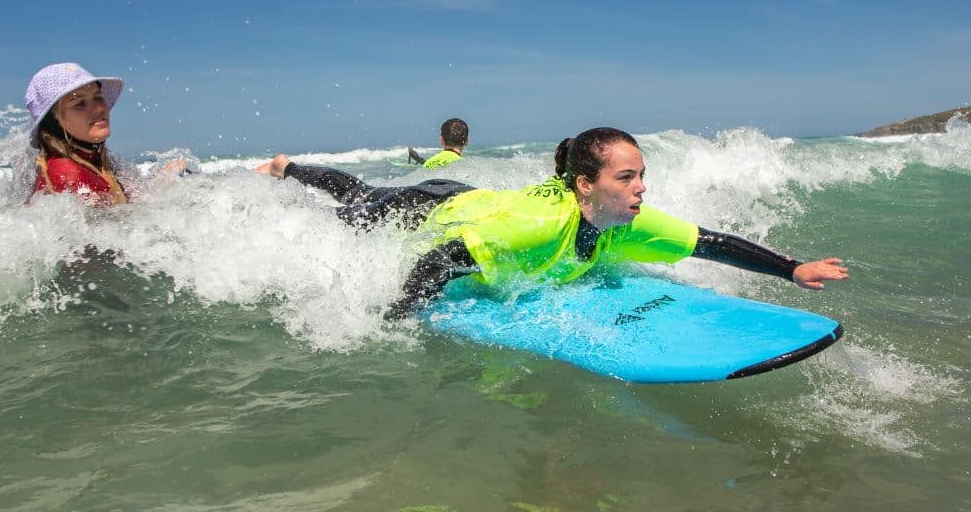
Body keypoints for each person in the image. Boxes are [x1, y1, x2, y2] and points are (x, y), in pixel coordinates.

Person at [256, 127, 848, 318]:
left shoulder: (626, 221)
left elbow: (710, 244)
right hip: (435, 206)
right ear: (585, 185)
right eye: (627, 178)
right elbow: (436, 259)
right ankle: (289, 168)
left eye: (642, 175)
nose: (641, 189)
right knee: (357, 200)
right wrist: (397, 318)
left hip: (482, 197)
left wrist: (792, 269)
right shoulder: (539, 229)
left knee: (361, 198)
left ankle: (292, 169)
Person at [25, 62, 132, 205]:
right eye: (80, 104)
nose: (99, 108)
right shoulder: (69, 175)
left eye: (98, 97)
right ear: (54, 121)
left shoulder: (94, 161)